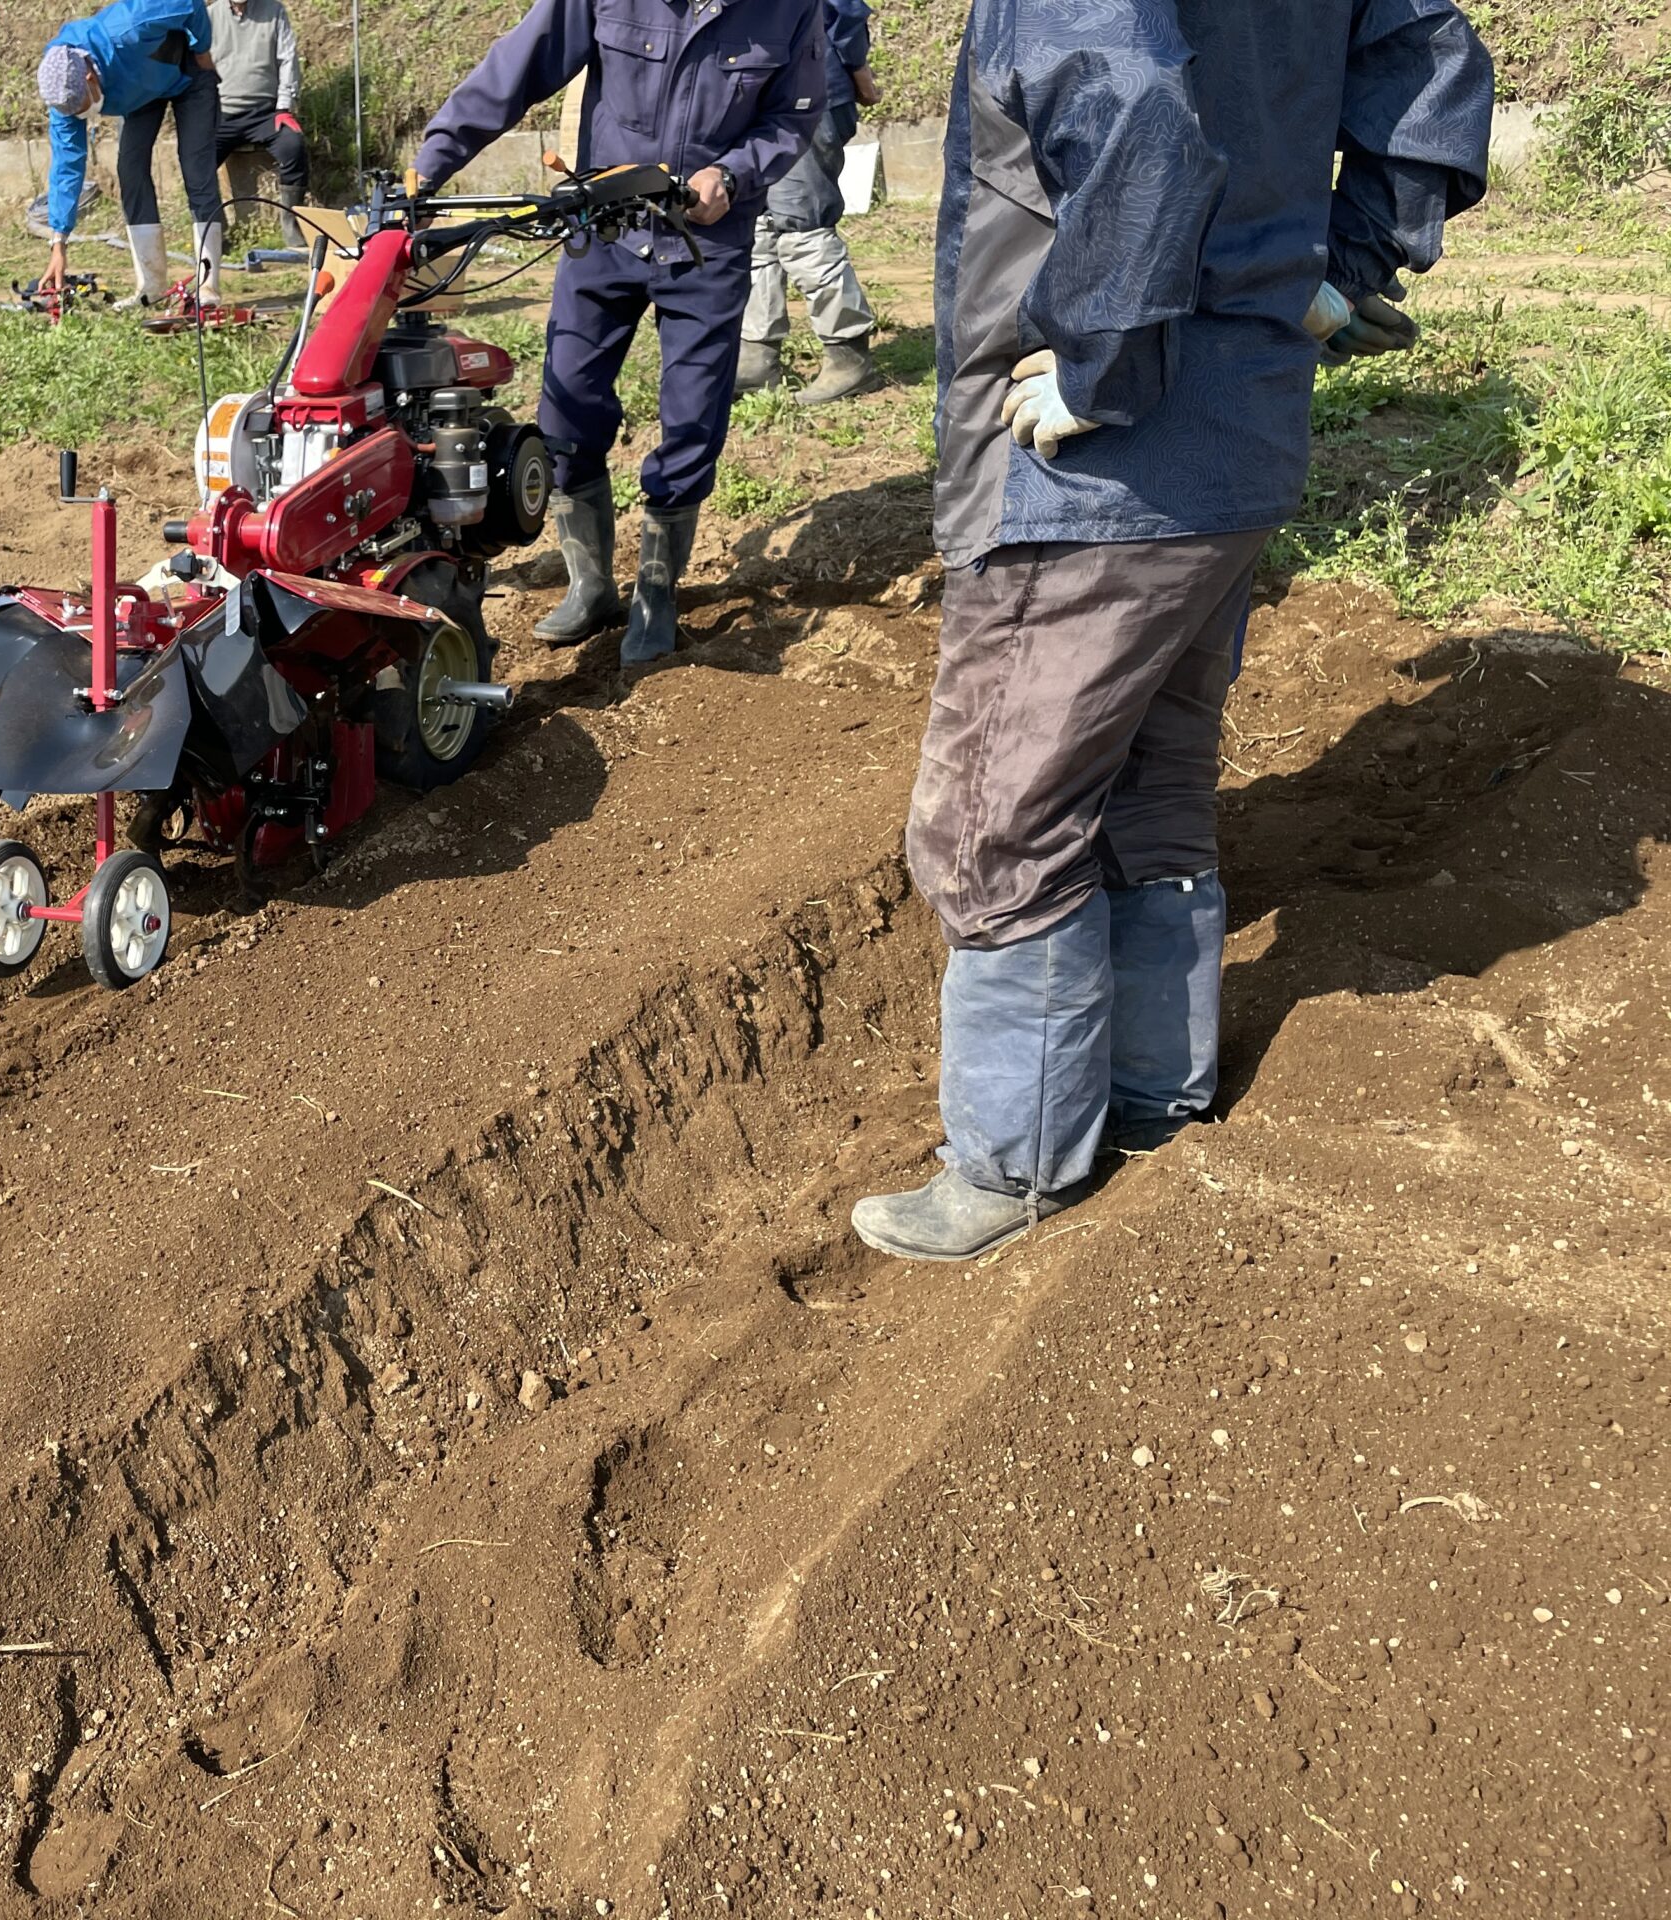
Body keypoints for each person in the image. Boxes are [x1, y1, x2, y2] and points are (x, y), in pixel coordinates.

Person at [849, 0, 1494, 1263]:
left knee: (996, 818)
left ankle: (1018, 1165)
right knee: (1151, 777)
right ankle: (1156, 1092)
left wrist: (1098, 361)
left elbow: (1137, 114)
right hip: (1240, 438)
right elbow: (1432, 66)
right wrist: (1339, 270)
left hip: (1092, 474)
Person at [412, 0, 825, 668]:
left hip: (706, 242)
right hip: (603, 229)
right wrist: (432, 164)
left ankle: (657, 591)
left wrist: (734, 171)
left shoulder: (787, 9)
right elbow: (518, 68)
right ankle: (593, 585)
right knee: (566, 407)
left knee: (692, 418)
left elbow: (795, 114)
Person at [739, 0, 883, 406]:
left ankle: (849, 355)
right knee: (760, 225)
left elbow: (847, 11)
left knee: (802, 227)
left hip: (806, 93)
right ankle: (757, 352)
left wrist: (858, 69)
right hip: (752, 93)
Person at [37, 1, 224, 307]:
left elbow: (189, 3)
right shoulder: (63, 95)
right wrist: (58, 241)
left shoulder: (129, 27)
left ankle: (208, 287)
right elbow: (66, 165)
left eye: (83, 110)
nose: (82, 118)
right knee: (131, 170)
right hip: (140, 93)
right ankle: (151, 287)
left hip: (187, 71)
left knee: (196, 169)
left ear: (89, 78)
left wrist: (202, 49)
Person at [209, 0, 306, 211]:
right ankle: (214, 230)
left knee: (293, 146)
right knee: (197, 160)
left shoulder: (275, 11)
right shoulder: (210, 16)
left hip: (266, 113)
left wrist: (283, 107)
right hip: (222, 114)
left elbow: (287, 59)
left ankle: (293, 223)